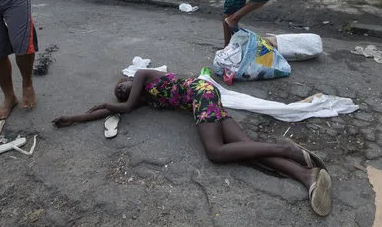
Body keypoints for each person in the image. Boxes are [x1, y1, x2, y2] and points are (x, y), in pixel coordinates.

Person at [52, 69, 332, 216]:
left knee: (216, 152)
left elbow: (118, 108)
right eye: (120, 93)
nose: (121, 91)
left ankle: (286, 148)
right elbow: (115, 110)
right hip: (207, 98)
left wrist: (109, 102)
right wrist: (73, 118)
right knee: (244, 149)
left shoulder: (141, 75)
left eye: (121, 88)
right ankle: (305, 174)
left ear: (128, 80)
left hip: (201, 94)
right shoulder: (143, 100)